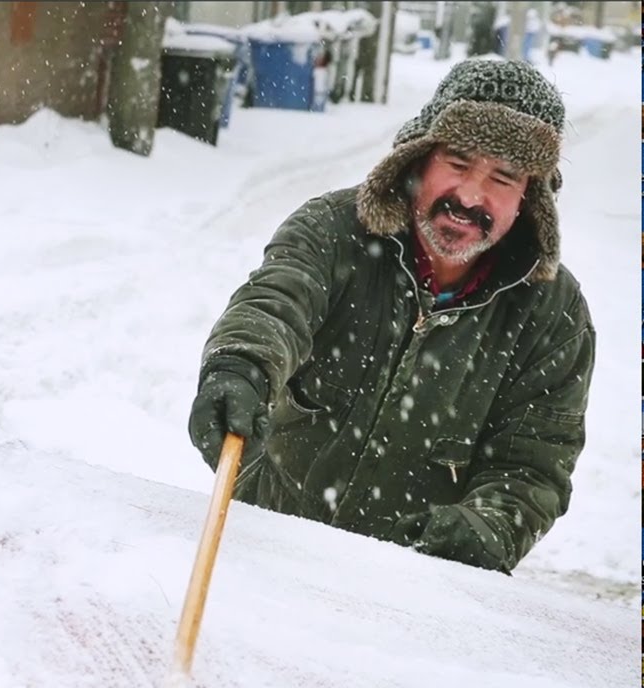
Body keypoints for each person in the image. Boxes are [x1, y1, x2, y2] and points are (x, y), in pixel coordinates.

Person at [187, 58, 595, 575]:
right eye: (458, 162)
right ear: (419, 158)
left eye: (503, 177)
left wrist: (486, 531)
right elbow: (274, 304)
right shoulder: (334, 231)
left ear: (530, 198)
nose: (471, 196)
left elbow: (533, 465)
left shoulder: (554, 316)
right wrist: (238, 368)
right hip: (265, 546)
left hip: (410, 592)